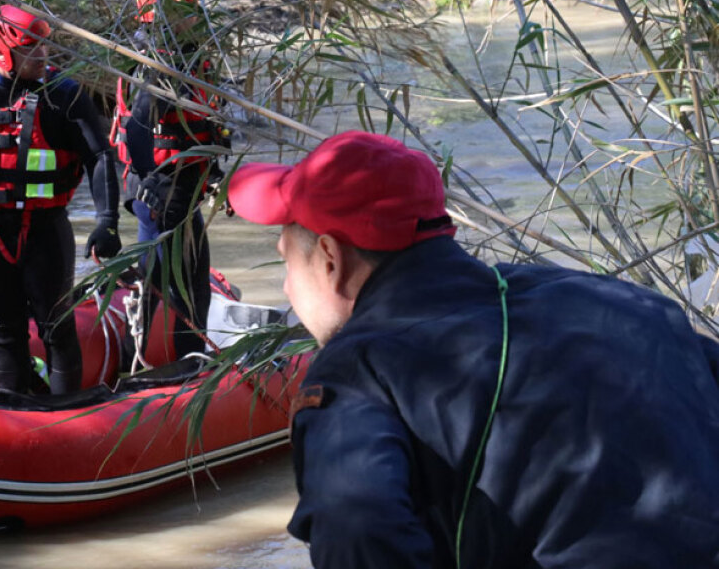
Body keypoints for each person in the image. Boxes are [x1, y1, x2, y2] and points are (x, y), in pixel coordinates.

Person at [226, 130, 719, 568]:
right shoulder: (628, 305)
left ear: (330, 259)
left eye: (286, 262)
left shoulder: (358, 373)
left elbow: (358, 531)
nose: (286, 289)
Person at [0, 5, 121, 395]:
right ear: (2, 52)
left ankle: (67, 416)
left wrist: (107, 221)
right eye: (30, 49)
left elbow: (100, 157)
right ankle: (15, 412)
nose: (42, 55)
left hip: (46, 233)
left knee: (57, 331)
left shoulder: (64, 95)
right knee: (5, 335)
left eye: (44, 46)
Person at [112, 0, 229, 360]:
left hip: (173, 190)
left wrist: (215, 176)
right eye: (187, 9)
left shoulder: (180, 57)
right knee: (186, 290)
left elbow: (197, 131)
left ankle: (137, 362)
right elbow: (138, 128)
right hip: (166, 192)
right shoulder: (162, 63)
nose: (197, 15)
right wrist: (151, 182)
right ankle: (186, 369)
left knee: (161, 280)